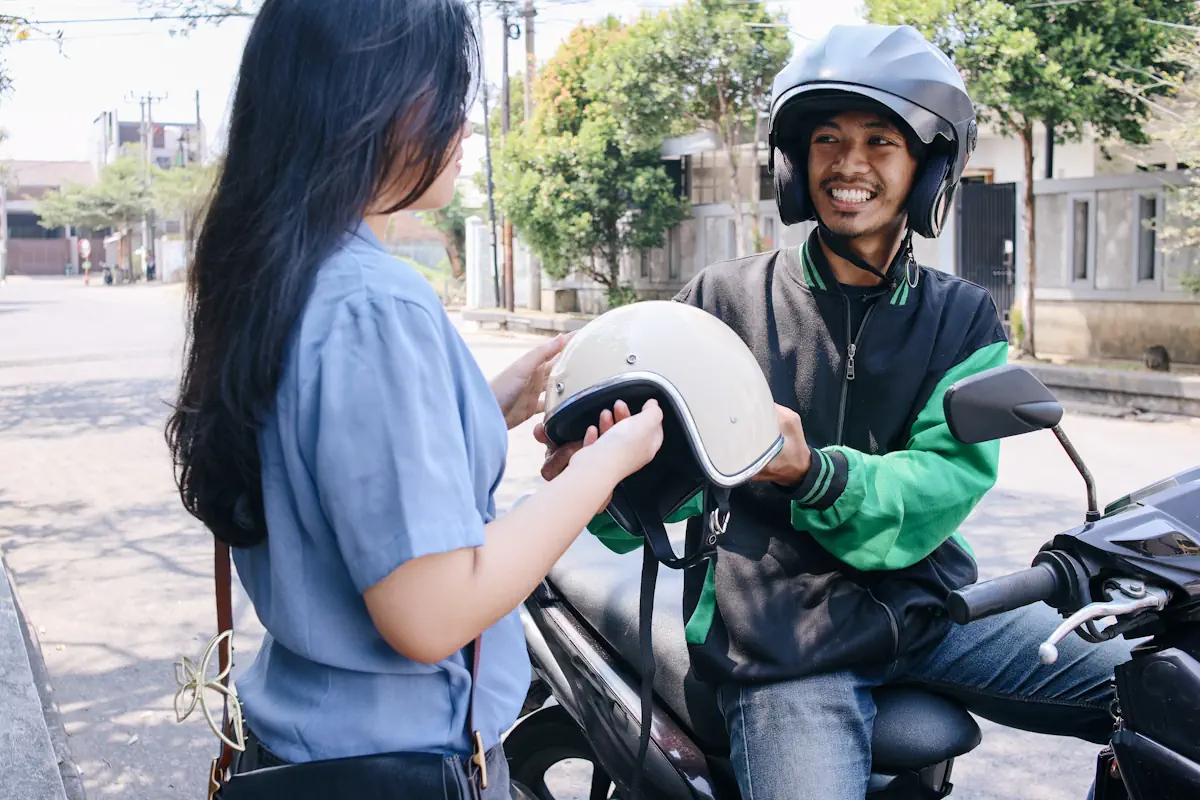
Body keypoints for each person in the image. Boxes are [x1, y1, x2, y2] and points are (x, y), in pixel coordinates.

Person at [536, 24, 1130, 800]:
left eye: (881, 141)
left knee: (1167, 696)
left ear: (927, 167)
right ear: (796, 162)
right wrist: (606, 476)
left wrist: (814, 474)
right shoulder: (722, 304)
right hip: (781, 646)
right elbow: (635, 509)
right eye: (827, 140)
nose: (850, 165)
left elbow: (942, 481)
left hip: (932, 613)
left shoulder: (963, 320)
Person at [164, 1, 663, 797]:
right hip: (402, 766)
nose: (465, 123)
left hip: (304, 750)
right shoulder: (376, 303)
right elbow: (432, 612)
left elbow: (327, 463)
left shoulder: (281, 271)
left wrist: (497, 401)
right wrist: (601, 469)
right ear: (373, 102)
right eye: (448, 92)